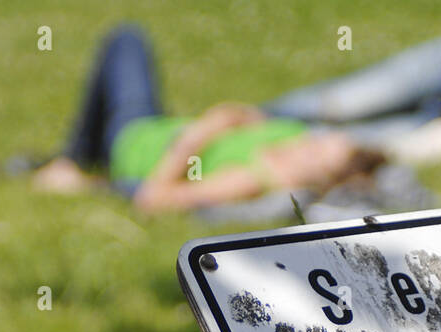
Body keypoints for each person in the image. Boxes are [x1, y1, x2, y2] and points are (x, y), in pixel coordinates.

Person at [32, 25, 384, 212]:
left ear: (318, 181)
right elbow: (239, 112)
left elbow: (153, 200)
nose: (305, 146)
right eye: (317, 141)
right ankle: (75, 155)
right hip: (160, 126)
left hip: (131, 143)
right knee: (128, 40)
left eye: (314, 157)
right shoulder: (289, 132)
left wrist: (199, 135)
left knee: (125, 39)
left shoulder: (256, 177)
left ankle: (74, 158)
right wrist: (221, 120)